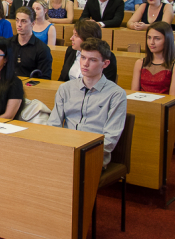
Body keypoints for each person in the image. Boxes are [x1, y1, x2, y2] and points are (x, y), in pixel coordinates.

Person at [49, 38, 127, 168]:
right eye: (83, 57)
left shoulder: (116, 94)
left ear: (105, 64)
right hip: (65, 150)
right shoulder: (65, 88)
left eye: (92, 60)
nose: (85, 64)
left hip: (93, 154)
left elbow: (110, 139)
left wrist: (78, 152)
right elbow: (53, 125)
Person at [131, 22, 175, 129]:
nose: (151, 42)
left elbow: (172, 99)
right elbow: (134, 93)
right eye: (149, 38)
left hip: (165, 112)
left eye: (157, 38)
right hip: (142, 109)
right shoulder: (140, 62)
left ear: (167, 40)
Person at [11, 7, 53, 79]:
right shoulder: (8, 44)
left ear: (33, 23)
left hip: (30, 87)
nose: (19, 24)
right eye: (17, 20)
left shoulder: (42, 49)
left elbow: (45, 77)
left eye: (24, 21)